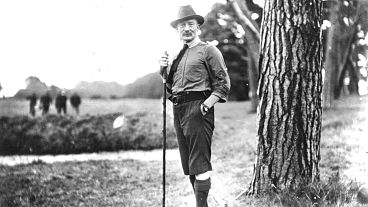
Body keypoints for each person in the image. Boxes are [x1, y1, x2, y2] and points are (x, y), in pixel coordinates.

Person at [159, 5, 230, 207]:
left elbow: (223, 83)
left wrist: (207, 105)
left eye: (191, 24)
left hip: (198, 107)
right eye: (182, 25)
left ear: (198, 27)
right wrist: (162, 68)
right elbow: (170, 84)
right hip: (179, 109)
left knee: (199, 162)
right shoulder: (176, 55)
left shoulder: (208, 50)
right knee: (190, 164)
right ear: (177, 30)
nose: (186, 29)